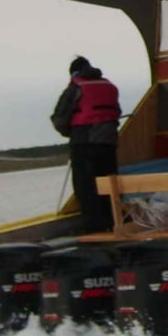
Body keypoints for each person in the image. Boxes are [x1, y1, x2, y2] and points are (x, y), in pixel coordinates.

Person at [50, 55, 122, 233]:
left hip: (84, 142)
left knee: (85, 186)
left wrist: (69, 133)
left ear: (74, 73)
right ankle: (113, 222)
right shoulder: (110, 86)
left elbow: (59, 118)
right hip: (108, 142)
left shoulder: (76, 88)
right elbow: (116, 112)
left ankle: (93, 226)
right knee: (108, 183)